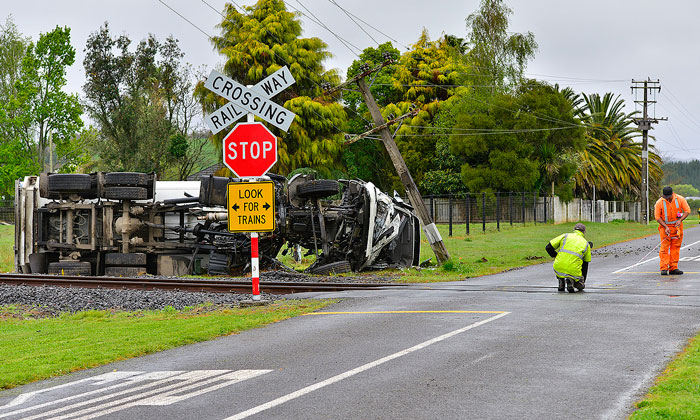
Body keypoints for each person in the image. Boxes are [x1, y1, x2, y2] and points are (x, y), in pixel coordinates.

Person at [545, 223, 592, 293]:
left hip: (558, 267)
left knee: (562, 268)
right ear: (584, 232)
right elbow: (585, 265)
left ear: (574, 230)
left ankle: (561, 281)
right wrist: (582, 281)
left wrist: (556, 256)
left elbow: (548, 247)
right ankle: (572, 281)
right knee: (580, 285)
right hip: (573, 271)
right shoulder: (586, 244)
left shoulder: (565, 236)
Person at [654, 186, 690, 275]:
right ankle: (664, 268)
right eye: (665, 197)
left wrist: (680, 220)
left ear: (672, 194)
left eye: (668, 196)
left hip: (677, 228)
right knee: (664, 248)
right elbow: (657, 217)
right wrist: (665, 226)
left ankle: (673, 268)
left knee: (676, 247)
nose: (666, 198)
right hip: (664, 228)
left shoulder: (680, 199)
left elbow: (687, 211)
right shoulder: (659, 202)